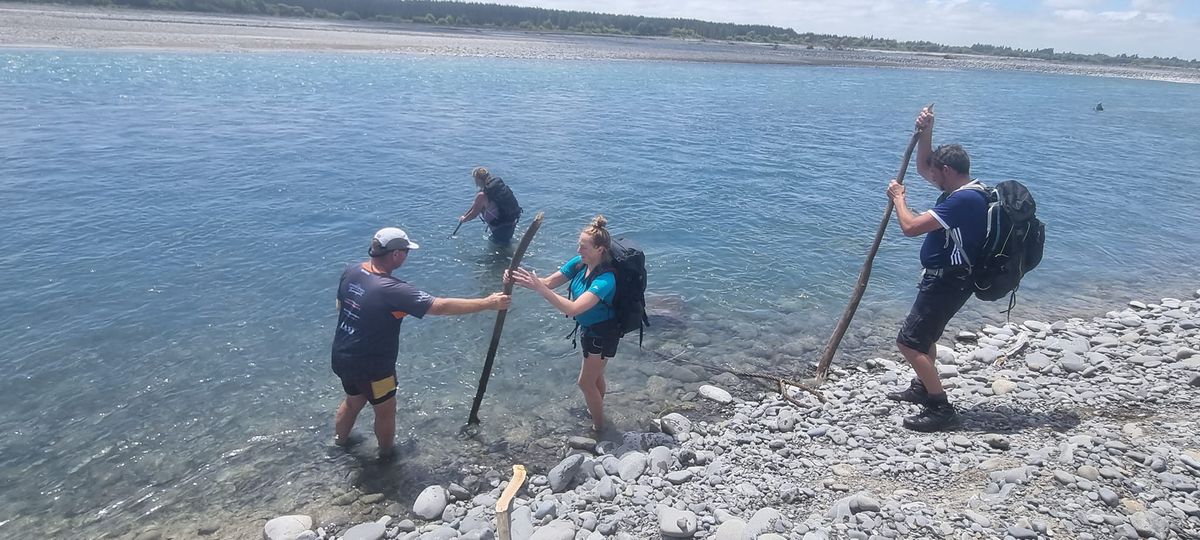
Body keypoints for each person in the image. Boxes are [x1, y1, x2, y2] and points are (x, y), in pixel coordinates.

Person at [331, 227, 510, 457]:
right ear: (395, 254)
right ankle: (387, 456)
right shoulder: (392, 289)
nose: (407, 256)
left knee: (353, 401)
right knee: (386, 410)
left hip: (342, 356)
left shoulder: (351, 271)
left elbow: (341, 306)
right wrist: (488, 303)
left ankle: (339, 444)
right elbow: (440, 306)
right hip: (374, 367)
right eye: (406, 251)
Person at [884, 106, 989, 432]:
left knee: (909, 343)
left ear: (947, 170)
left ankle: (940, 406)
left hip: (949, 281)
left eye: (936, 171)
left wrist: (899, 198)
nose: (931, 175)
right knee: (925, 336)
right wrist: (926, 130)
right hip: (947, 279)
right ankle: (922, 385)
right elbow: (923, 165)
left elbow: (911, 227)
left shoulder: (962, 201)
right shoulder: (968, 189)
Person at [508, 216, 619, 432]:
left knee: (585, 383)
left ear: (600, 250)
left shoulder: (606, 280)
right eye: (579, 244)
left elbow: (573, 308)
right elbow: (548, 282)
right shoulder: (579, 263)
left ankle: (599, 428)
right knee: (595, 377)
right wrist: (518, 278)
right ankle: (597, 409)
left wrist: (541, 290)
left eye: (584, 247)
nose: (579, 250)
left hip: (602, 334)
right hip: (589, 330)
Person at [459, 167, 522, 243]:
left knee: (501, 249)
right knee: (506, 242)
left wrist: (463, 219)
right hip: (511, 221)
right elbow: (476, 206)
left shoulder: (482, 195)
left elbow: (474, 214)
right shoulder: (497, 187)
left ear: (477, 180)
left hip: (499, 227)